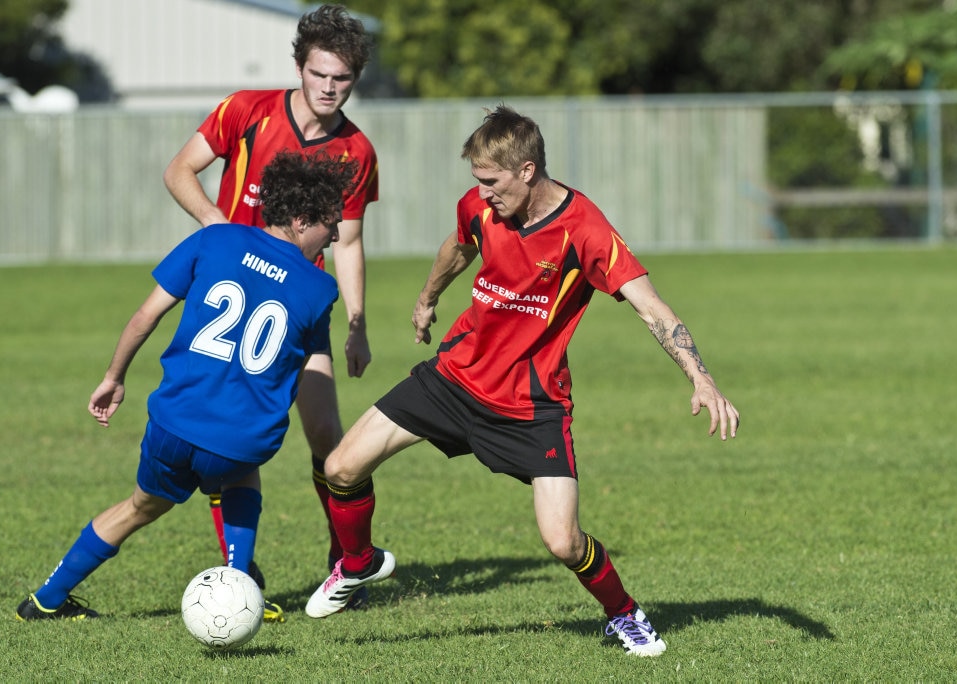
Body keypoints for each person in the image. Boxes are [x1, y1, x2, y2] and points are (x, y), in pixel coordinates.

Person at [302, 106, 741, 657]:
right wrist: (427, 298)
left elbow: (651, 307)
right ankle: (358, 562)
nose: (481, 193)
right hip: (453, 378)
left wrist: (701, 378)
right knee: (341, 466)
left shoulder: (585, 230)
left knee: (562, 540)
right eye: (476, 182)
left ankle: (624, 614)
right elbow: (457, 245)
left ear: (527, 170)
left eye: (491, 181)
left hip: (530, 404)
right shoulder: (481, 208)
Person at [15, 150, 355, 621]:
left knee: (139, 507)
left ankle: (46, 600)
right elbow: (300, 362)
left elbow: (145, 316)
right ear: (300, 220)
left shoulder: (213, 240)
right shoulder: (320, 289)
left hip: (172, 423)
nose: (336, 234)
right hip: (241, 440)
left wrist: (113, 378)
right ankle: (240, 587)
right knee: (240, 472)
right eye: (330, 224)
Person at [162, 4, 378, 609]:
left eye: (342, 79)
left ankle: (345, 565)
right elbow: (180, 171)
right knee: (221, 434)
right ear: (300, 67)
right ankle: (239, 574)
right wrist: (217, 231)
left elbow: (352, 241)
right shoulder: (248, 111)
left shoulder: (355, 151)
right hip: (230, 304)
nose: (330, 88)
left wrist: (357, 325)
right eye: (320, 74)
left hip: (302, 309)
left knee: (328, 438)